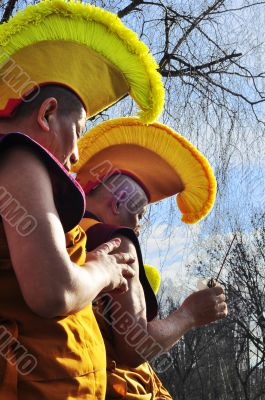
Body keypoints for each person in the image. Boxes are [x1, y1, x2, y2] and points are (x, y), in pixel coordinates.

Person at [0, 2, 164, 398]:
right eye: (79, 129)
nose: (76, 158)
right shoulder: (19, 157)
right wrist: (102, 270)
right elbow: (53, 291)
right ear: (48, 113)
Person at [74, 117, 228, 399]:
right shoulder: (116, 242)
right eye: (139, 215)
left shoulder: (60, 231)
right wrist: (189, 315)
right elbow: (135, 346)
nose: (138, 227)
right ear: (119, 200)